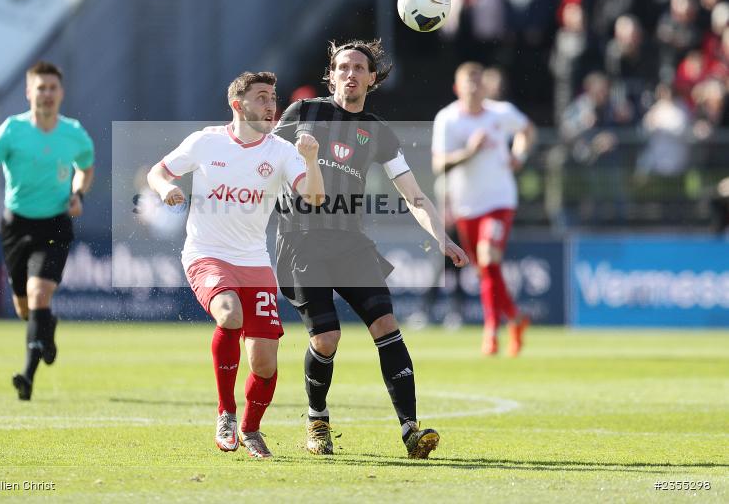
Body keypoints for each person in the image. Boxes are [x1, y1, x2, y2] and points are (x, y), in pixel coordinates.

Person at [273, 39, 468, 459]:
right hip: (301, 241)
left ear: (371, 78)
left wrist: (442, 237)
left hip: (350, 242)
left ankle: (411, 430)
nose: (350, 74)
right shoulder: (303, 113)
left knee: (386, 325)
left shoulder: (378, 132)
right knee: (327, 338)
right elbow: (263, 163)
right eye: (342, 67)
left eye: (359, 68)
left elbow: (414, 194)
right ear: (331, 75)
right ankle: (317, 420)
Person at [147, 71, 324, 459]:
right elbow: (157, 172)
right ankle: (225, 413)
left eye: (273, 97)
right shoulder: (206, 141)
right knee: (229, 314)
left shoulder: (281, 151)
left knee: (264, 362)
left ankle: (251, 429)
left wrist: (311, 160)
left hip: (254, 260)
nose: (270, 104)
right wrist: (165, 187)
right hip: (206, 253)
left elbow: (314, 196)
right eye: (261, 97)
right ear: (237, 105)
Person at [0, 61, 94, 401]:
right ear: (28, 92)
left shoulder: (74, 133)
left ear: (61, 93)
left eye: (52, 88)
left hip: (55, 223)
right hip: (16, 225)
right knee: (25, 308)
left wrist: (78, 194)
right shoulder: (12, 130)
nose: (47, 94)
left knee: (39, 294)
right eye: (41, 88)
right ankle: (46, 327)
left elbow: (86, 167)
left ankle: (27, 376)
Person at [432, 62, 536, 357]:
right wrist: (469, 152)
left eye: (478, 83)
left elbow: (527, 130)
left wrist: (519, 155)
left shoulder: (500, 113)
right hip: (466, 206)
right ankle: (515, 318)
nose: (474, 89)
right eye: (469, 83)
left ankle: (491, 331)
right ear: (457, 88)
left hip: (500, 201)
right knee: (486, 271)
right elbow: (438, 164)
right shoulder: (448, 119)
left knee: (489, 257)